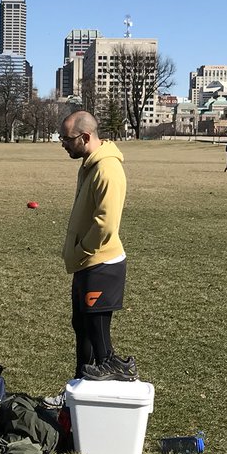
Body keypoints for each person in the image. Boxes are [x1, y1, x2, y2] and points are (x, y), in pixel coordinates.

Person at [60, 110, 137, 382]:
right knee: (82, 328)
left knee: (99, 338)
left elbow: (106, 223)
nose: (63, 144)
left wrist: (81, 250)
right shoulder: (90, 164)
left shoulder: (107, 169)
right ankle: (78, 388)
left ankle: (116, 369)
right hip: (87, 263)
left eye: (67, 139)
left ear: (85, 136)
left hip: (101, 264)